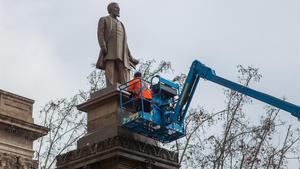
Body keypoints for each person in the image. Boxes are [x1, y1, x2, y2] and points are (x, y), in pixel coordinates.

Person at [96, 2, 139, 86]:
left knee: (123, 68)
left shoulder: (121, 24)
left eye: (118, 8)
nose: (118, 9)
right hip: (109, 48)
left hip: (121, 51)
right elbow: (100, 34)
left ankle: (124, 86)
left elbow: (125, 42)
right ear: (110, 9)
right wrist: (103, 45)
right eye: (116, 8)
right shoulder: (104, 19)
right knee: (110, 65)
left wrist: (130, 57)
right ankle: (110, 86)